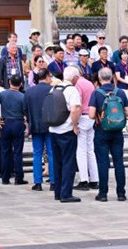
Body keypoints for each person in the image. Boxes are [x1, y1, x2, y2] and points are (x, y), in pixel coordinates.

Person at [90, 67, 128, 201]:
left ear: (100, 78)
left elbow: (90, 114)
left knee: (103, 162)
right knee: (119, 162)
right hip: (117, 131)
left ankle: (103, 193)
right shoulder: (120, 92)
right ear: (112, 77)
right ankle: (121, 193)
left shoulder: (96, 93)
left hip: (102, 130)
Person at [49, 67, 83, 203]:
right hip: (66, 130)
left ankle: (58, 192)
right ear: (74, 78)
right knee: (68, 162)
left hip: (53, 130)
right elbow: (75, 109)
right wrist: (75, 126)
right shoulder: (72, 90)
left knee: (57, 162)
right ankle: (66, 194)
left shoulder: (54, 88)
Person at [24, 68, 55, 191]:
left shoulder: (29, 91)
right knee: (51, 153)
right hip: (51, 125)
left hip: (35, 125)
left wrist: (28, 124)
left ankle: (37, 182)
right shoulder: (52, 90)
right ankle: (53, 181)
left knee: (37, 154)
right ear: (47, 76)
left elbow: (25, 109)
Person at [0, 75, 27, 185]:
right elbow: (25, 111)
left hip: (5, 123)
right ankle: (19, 177)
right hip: (18, 123)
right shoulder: (22, 96)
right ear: (20, 84)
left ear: (9, 82)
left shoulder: (2, 94)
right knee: (18, 152)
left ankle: (5, 177)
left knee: (5, 151)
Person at [74, 65, 98, 189]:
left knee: (81, 150)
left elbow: (77, 105)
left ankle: (84, 179)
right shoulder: (89, 83)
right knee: (90, 149)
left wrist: (75, 123)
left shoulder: (78, 85)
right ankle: (94, 179)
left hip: (83, 116)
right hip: (90, 116)